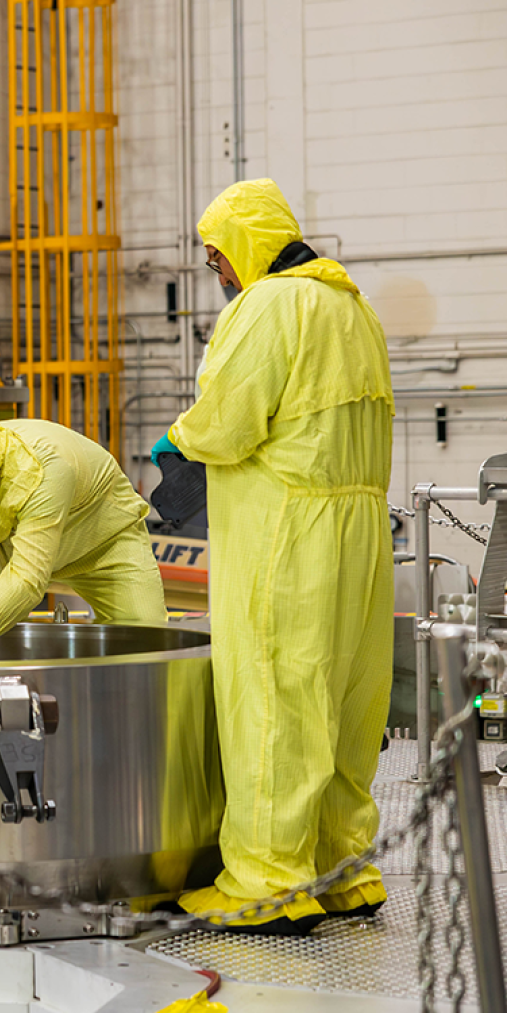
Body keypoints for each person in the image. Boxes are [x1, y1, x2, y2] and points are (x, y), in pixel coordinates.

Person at [161, 178, 394, 935]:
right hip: (358, 531)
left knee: (273, 702)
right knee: (342, 705)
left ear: (249, 246)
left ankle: (268, 882)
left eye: (218, 256)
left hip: (284, 532)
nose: (218, 272)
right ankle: (341, 870)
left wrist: (178, 441)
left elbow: (228, 420)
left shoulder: (267, 306)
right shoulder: (354, 308)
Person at [0, 409, 166, 665]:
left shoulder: (43, 471)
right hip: (1, 544)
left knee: (147, 644)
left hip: (102, 544)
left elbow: (27, 580)